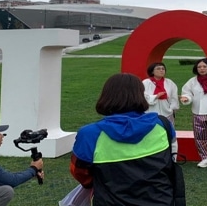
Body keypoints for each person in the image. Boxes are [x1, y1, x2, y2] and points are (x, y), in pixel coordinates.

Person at [70, 73, 177, 205]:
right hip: (160, 200)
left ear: (106, 96)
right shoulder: (162, 125)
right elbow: (169, 160)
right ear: (141, 95)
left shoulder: (90, 134)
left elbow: (79, 172)